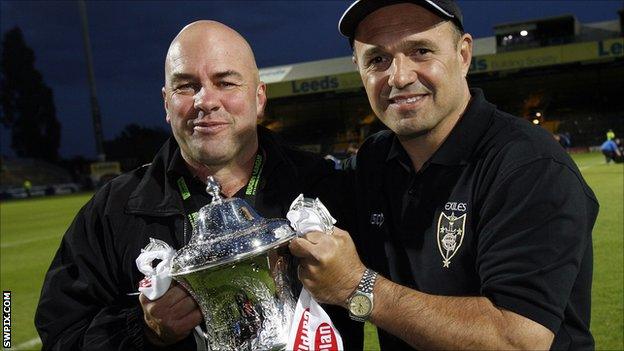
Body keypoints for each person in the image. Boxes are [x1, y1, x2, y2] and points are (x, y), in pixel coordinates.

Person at [290, 1, 599, 350]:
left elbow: (518, 339)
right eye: (377, 59)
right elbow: (295, 183)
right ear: (358, 69)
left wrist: (356, 286)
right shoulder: (374, 161)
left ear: (464, 54)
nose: (400, 76)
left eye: (421, 50)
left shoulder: (529, 165)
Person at [35, 20, 361, 350]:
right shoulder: (113, 211)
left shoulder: (328, 188)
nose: (205, 100)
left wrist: (357, 286)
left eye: (226, 82)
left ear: (259, 98)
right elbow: (60, 334)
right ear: (166, 103)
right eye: (186, 86)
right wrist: (142, 329)